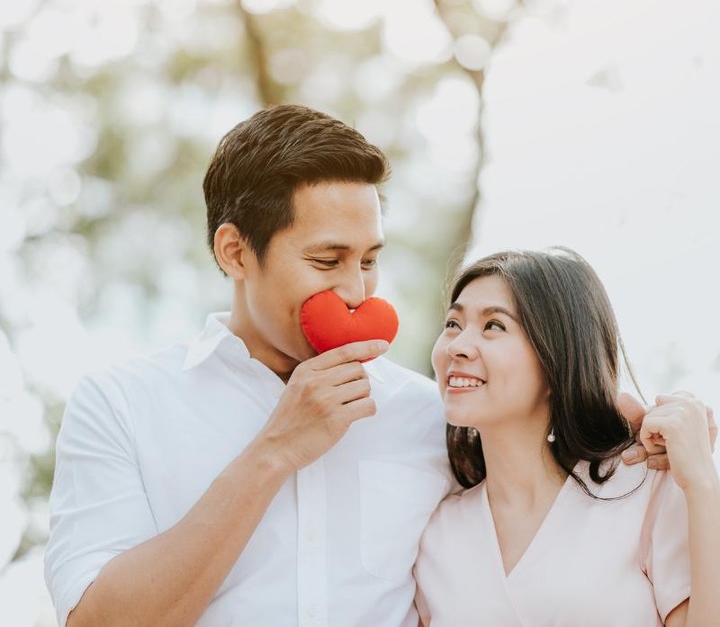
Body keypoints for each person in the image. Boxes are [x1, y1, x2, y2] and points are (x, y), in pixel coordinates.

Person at [44, 105, 696, 627]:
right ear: (236, 252)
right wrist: (273, 452)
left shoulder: (424, 413)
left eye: (370, 258)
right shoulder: (122, 405)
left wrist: (632, 417)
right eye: (328, 262)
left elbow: (538, 464)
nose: (358, 291)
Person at [414, 248, 720, 627]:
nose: (456, 346)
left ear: (556, 356)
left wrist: (703, 483)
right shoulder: (436, 533)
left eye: (494, 325)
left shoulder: (643, 488)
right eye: (452, 324)